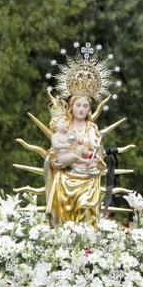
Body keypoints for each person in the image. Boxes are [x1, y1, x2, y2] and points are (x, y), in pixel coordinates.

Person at [45, 94, 108, 226]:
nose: (81, 109)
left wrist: (97, 157)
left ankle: (86, 244)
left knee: (85, 206)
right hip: (66, 178)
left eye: (85, 106)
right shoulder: (65, 126)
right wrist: (55, 161)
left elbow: (98, 151)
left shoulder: (92, 128)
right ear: (72, 107)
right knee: (65, 216)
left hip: (88, 177)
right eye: (78, 105)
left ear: (89, 109)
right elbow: (54, 152)